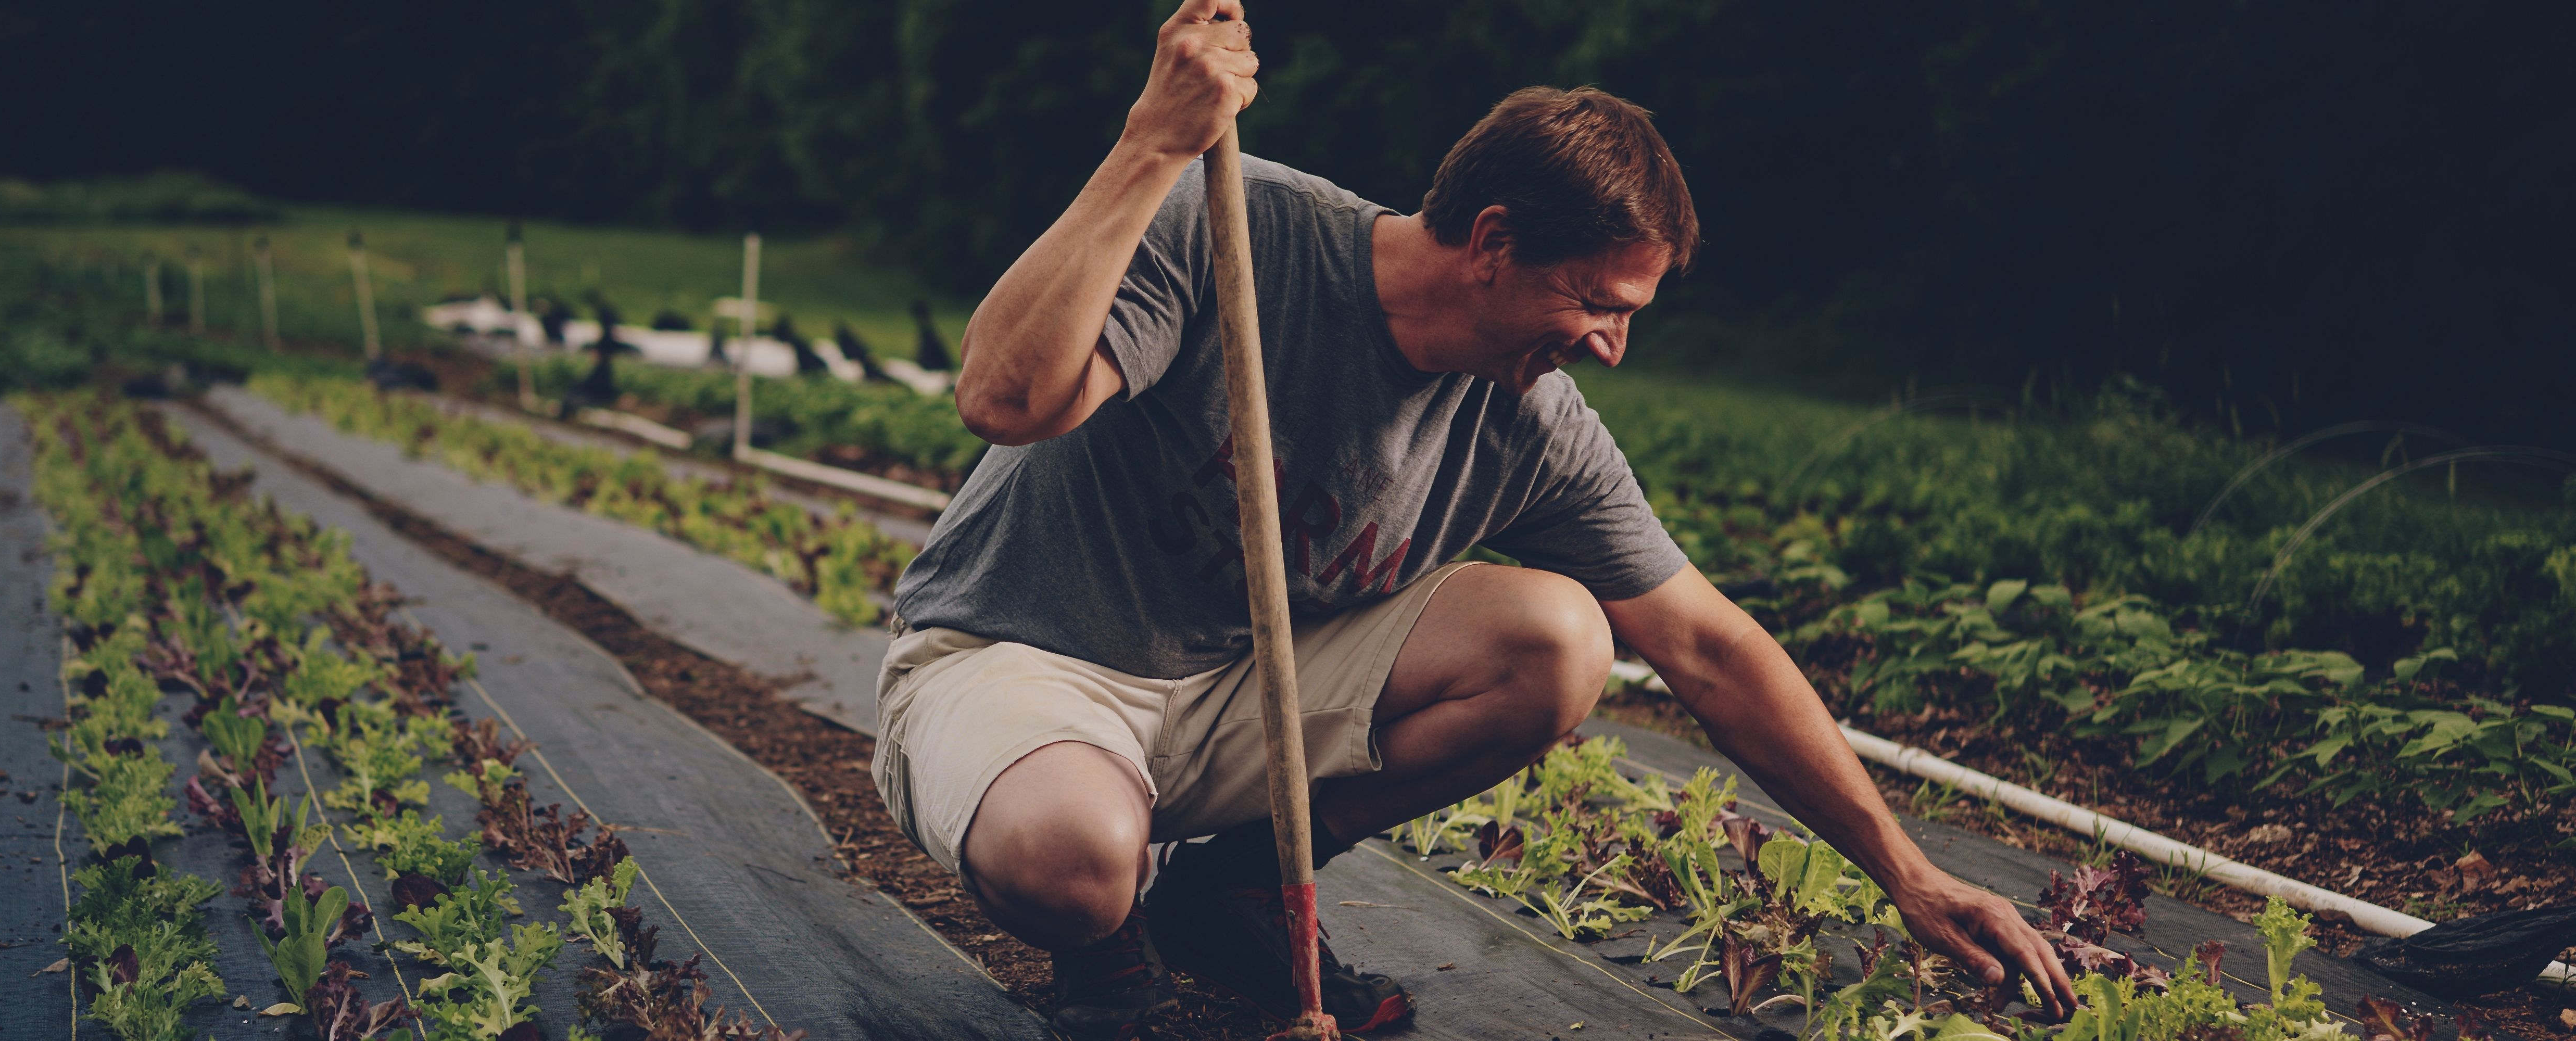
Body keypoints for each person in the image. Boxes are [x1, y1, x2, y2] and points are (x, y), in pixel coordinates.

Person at [871, 1, 2083, 1037]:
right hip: (1023, 657)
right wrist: (1151, 145)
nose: (1609, 348)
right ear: (1494, 244)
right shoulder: (1240, 227)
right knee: (1078, 857)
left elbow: (1710, 648)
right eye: (1597, 304)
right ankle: (1105, 935)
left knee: (1562, 637)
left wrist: (1912, 877)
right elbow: (1001, 396)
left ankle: (1232, 889)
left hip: (1239, 696)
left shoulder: (1529, 423)